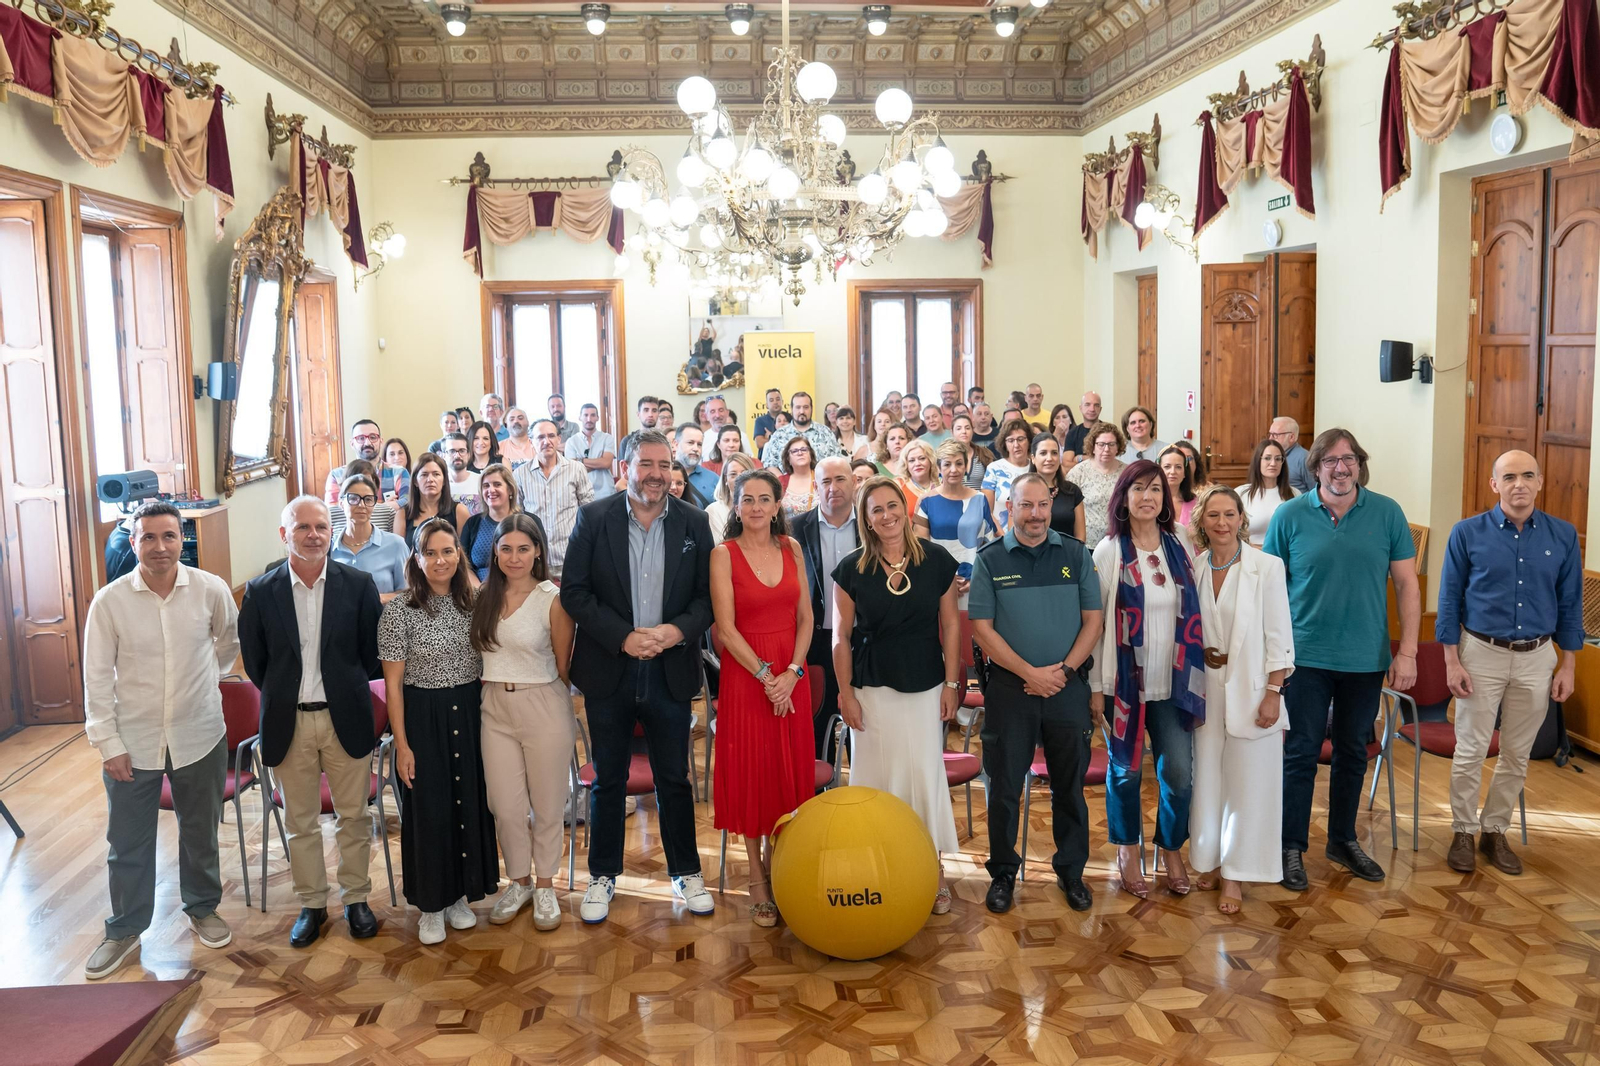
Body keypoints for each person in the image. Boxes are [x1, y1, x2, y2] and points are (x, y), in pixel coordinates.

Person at [560, 431, 717, 923]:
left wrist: (675, 631)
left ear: (674, 469)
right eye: (645, 463)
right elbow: (575, 593)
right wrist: (623, 637)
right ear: (625, 467)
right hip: (610, 669)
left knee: (674, 778)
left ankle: (685, 872)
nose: (655, 473)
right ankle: (602, 877)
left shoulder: (693, 522)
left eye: (663, 464)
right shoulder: (593, 517)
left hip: (670, 670)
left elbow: (707, 600)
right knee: (608, 780)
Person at [81, 501, 240, 980]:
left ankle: (202, 907)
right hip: (134, 742)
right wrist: (108, 743)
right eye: (148, 537)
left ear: (180, 541)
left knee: (200, 834)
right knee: (126, 842)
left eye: (168, 536)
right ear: (133, 544)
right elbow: (96, 679)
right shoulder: (110, 602)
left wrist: (207, 679)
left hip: (200, 735)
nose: (159, 547)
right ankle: (125, 929)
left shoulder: (210, 590)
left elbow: (229, 643)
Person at [1264, 428, 1420, 890]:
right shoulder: (1289, 516)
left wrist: (1407, 651)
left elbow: (1408, 586)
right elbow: (1270, 589)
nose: (1340, 467)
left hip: (1365, 659)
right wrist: (1272, 657)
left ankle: (1342, 839)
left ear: (1359, 464)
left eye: (1348, 458)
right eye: (1330, 460)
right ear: (1315, 468)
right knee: (1300, 754)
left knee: (1353, 752)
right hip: (1304, 658)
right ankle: (1290, 846)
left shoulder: (1387, 512)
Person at [239, 496, 382, 949]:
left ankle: (357, 898)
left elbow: (369, 655)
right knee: (300, 821)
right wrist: (289, 695)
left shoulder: (358, 585)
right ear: (285, 535)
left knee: (354, 817)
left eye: (321, 526)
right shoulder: (260, 592)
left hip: (346, 718)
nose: (314, 534)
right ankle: (313, 904)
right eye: (302, 527)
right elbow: (257, 665)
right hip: (289, 722)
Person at [1436, 449, 1580, 876]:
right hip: (1480, 653)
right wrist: (1451, 662)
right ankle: (1462, 829)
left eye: (1528, 476)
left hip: (1538, 656)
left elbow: (1570, 604)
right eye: (1510, 476)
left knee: (1517, 755)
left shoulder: (1563, 536)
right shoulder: (1467, 533)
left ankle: (1493, 831)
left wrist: (1567, 666)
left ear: (1540, 482)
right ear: (1494, 484)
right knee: (1471, 749)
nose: (1520, 484)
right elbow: (1448, 601)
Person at [969, 475, 1103, 914]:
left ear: (1052, 506)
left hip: (1066, 687)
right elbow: (982, 630)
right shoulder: (989, 559)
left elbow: (1093, 622)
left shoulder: (1075, 553)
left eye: (1043, 505)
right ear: (1009, 507)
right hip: (1011, 689)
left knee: (1069, 786)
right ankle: (1003, 873)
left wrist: (1060, 673)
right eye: (1026, 506)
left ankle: (1071, 872)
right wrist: (1030, 673)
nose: (1036, 514)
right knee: (1005, 786)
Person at [833, 477, 963, 913]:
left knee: (924, 774)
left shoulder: (937, 560)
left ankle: (934, 870)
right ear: (865, 519)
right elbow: (841, 636)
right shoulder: (851, 568)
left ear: (906, 511)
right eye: (876, 510)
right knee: (876, 779)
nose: (886, 515)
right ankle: (879, 868)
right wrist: (845, 693)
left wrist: (951, 683)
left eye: (893, 506)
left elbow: (950, 626)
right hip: (871, 690)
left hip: (926, 686)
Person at [1089, 461, 1204, 899]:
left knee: (1179, 774)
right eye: (1138, 489)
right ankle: (1128, 851)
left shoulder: (1179, 547)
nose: (1148, 497)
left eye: (1155, 489)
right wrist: (1096, 687)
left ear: (1165, 499)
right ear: (1124, 497)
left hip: (1174, 684)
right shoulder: (1109, 552)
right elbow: (1095, 626)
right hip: (1124, 686)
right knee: (1125, 772)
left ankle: (1171, 850)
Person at [379, 518, 497, 944]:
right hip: (423, 715)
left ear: (459, 555)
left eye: (448, 551)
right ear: (416, 558)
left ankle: (459, 896)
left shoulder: (476, 602)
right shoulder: (398, 611)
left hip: (469, 709)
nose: (440, 560)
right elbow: (393, 685)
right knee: (430, 808)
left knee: (467, 801)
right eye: (430, 552)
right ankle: (431, 904)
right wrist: (402, 744)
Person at [708, 469, 815, 926]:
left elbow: (808, 617)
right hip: (747, 676)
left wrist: (790, 673)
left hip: (792, 673)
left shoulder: (792, 549)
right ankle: (756, 874)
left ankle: (783, 864)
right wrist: (766, 677)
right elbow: (725, 629)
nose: (755, 506)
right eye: (746, 499)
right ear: (735, 506)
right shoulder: (722, 555)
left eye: (764, 499)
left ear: (777, 506)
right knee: (754, 768)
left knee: (787, 769)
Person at [1187, 486, 1294, 914]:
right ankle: (1211, 861)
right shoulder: (1194, 567)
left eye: (1229, 514)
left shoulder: (1266, 567)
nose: (1221, 523)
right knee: (1209, 782)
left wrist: (1273, 692)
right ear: (1201, 523)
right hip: (1206, 689)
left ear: (1241, 519)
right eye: (1212, 516)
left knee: (1249, 786)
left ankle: (1236, 874)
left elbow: (1279, 637)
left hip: (1252, 688)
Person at [471, 514, 577, 930]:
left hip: (543, 703)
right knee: (505, 806)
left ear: (537, 552)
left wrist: (556, 705)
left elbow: (565, 665)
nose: (514, 557)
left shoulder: (553, 597)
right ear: (494, 553)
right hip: (493, 705)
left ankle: (547, 884)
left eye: (523, 549)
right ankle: (519, 881)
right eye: (506, 549)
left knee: (548, 804)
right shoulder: (484, 595)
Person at [792, 456, 858, 760]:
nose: (834, 487)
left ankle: (865, 795)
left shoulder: (872, 524)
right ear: (815, 487)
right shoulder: (794, 528)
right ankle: (822, 798)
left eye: (840, 479)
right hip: (814, 641)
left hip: (863, 641)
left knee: (864, 724)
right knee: (818, 724)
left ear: (854, 482)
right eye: (826, 482)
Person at [914, 439, 998, 609]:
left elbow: (989, 545)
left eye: (959, 463)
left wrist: (976, 578)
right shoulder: (926, 501)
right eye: (947, 464)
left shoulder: (980, 499)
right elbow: (920, 548)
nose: (954, 470)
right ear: (938, 468)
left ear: (966, 467)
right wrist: (942, 581)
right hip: (937, 584)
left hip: (975, 582)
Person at [513, 419, 595, 579]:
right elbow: (517, 516)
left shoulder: (576, 469)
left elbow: (589, 513)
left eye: (551, 436)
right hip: (536, 559)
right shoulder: (520, 474)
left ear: (559, 439)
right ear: (531, 442)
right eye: (540, 437)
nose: (546, 441)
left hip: (571, 555)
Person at [329, 473, 409, 599]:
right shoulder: (330, 548)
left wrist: (375, 598)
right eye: (353, 498)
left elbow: (408, 594)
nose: (361, 505)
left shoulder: (396, 545)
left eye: (368, 499)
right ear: (341, 503)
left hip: (383, 617)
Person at [1067, 421, 1126, 547]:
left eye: (1111, 444)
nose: (1106, 449)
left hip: (1119, 543)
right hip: (1088, 544)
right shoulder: (1079, 472)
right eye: (1101, 444)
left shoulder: (1127, 473)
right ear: (1093, 446)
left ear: (1118, 447)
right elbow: (1067, 507)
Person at [459, 465, 522, 583]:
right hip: (480, 594)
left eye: (497, 484)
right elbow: (463, 564)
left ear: (510, 489)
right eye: (486, 486)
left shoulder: (527, 522)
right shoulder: (473, 523)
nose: (491, 490)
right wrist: (478, 590)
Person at [324, 419, 408, 503]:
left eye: (373, 437)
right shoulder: (336, 475)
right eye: (361, 438)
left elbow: (407, 504)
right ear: (352, 444)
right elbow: (332, 511)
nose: (367, 443)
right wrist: (386, 506)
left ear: (381, 442)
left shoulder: (399, 472)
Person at [1238, 438, 1298, 547]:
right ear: (1258, 461)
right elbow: (1231, 531)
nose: (1273, 463)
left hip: (1284, 555)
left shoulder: (1295, 494)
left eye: (1278, 459)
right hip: (1250, 552)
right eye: (1267, 458)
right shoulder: (1241, 493)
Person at [760, 392, 843, 469]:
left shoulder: (826, 433)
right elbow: (770, 465)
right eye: (798, 407)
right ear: (792, 409)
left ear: (811, 408)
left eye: (806, 407)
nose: (802, 411)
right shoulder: (779, 435)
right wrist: (785, 482)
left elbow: (837, 462)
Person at [401, 453, 469, 545]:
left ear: (444, 480)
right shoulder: (402, 514)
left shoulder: (460, 511)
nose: (430, 479)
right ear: (415, 481)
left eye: (436, 474)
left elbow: (464, 554)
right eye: (424, 475)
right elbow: (399, 555)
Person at [981, 417, 1034, 531]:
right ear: (1004, 443)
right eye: (1010, 440)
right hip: (1000, 535)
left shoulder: (1035, 468)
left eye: (1021, 439)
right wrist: (1003, 537)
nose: (1016, 445)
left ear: (1029, 441)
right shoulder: (994, 468)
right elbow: (986, 512)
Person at [1030, 433, 1086, 541]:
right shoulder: (1021, 491)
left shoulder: (1073, 492)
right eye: (1043, 453)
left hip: (1066, 555)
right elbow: (1014, 533)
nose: (1049, 458)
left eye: (1054, 453)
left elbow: (1081, 538)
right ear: (1033, 458)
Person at [565, 403, 617, 501]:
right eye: (585, 415)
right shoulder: (571, 441)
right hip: (581, 494)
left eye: (593, 415)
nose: (589, 419)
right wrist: (598, 463)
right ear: (580, 417)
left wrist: (580, 461)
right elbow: (572, 468)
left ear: (597, 418)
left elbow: (606, 463)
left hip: (606, 493)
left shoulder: (607, 438)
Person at [706, 452, 758, 543]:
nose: (739, 479)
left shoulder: (761, 508)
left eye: (744, 473)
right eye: (733, 474)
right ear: (725, 479)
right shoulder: (713, 511)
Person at [675, 422, 719, 502]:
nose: (695, 448)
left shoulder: (713, 479)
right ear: (676, 444)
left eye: (699, 444)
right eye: (690, 443)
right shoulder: (665, 475)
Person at [779, 434, 820, 518]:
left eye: (804, 450)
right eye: (794, 451)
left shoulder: (822, 478)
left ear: (811, 455)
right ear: (788, 459)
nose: (800, 453)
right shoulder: (780, 481)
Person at [1269, 416, 1314, 493]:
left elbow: (1316, 491)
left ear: (1291, 437)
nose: (1270, 438)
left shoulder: (1305, 458)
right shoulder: (1268, 456)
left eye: (1275, 435)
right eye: (1270, 434)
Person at [896, 438, 940, 512]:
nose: (917, 464)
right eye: (912, 460)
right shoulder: (898, 486)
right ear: (906, 464)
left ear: (931, 460)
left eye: (922, 458)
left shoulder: (942, 483)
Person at [1160, 445, 1199, 527]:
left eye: (1178, 467)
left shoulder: (1196, 503)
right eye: (1167, 467)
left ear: (1185, 472)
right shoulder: (1152, 501)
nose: (1173, 471)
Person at [950, 414, 992, 489]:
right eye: (959, 428)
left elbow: (992, 483)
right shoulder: (946, 456)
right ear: (952, 432)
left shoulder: (984, 453)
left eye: (967, 428)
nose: (964, 431)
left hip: (980, 499)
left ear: (972, 431)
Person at [619, 395, 662, 466]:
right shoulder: (627, 441)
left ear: (658, 414)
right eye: (646, 410)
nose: (650, 414)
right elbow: (623, 471)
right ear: (638, 414)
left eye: (654, 411)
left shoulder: (664, 440)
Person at [1062, 391, 1102, 461]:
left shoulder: (1109, 431)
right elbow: (1066, 465)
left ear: (1100, 409)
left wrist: (1079, 458)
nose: (1092, 409)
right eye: (1087, 404)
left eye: (1096, 405)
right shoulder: (1073, 433)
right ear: (1081, 408)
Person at [441, 433, 481, 501]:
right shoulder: (439, 484)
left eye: (462, 451)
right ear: (443, 455)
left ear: (468, 454)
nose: (457, 456)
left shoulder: (480, 481)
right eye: (452, 451)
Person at [752, 389, 784, 453]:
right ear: (766, 405)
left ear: (782, 402)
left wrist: (770, 437)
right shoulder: (760, 421)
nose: (775, 402)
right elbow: (760, 443)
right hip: (766, 461)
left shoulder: (790, 419)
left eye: (778, 399)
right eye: (771, 400)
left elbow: (792, 440)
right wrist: (781, 438)